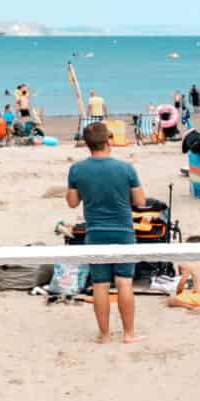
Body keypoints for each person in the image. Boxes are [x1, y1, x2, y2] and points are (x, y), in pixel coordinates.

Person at [66, 122, 147, 344]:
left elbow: (72, 203)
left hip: (95, 232)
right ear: (108, 140)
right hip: (123, 231)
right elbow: (140, 201)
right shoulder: (126, 169)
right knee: (124, 282)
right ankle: (128, 334)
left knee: (100, 284)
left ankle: (104, 335)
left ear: (87, 144)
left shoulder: (77, 170)